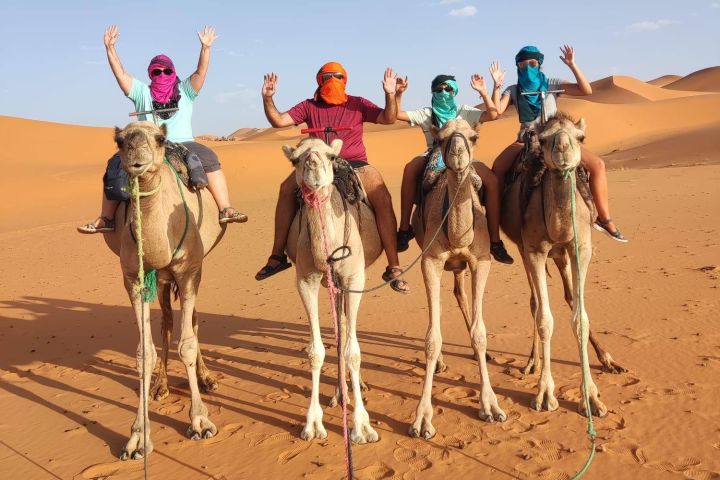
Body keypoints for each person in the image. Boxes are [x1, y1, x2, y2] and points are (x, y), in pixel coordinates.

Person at [255, 62, 410, 293]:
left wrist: (390, 95)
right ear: (319, 80)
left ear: (344, 79)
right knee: (286, 190)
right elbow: (279, 121)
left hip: (355, 164)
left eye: (338, 76)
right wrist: (268, 98)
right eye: (327, 77)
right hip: (317, 163)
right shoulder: (309, 106)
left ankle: (393, 265)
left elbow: (388, 118)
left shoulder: (357, 103)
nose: (333, 80)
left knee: (382, 197)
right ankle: (277, 255)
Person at [77, 25, 246, 234]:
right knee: (115, 165)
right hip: (147, 145)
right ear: (150, 74)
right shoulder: (141, 93)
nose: (162, 74)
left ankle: (225, 208)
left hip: (183, 143)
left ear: (173, 72)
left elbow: (200, 72)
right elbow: (121, 74)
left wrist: (206, 48)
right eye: (156, 71)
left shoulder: (185, 90)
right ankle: (107, 218)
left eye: (166, 71)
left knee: (209, 158)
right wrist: (110, 49)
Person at [491, 45, 627, 242]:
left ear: (539, 65)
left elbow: (585, 90)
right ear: (517, 66)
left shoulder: (551, 84)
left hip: (556, 138)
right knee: (498, 171)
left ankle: (604, 219)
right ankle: (495, 233)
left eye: (532, 63)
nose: (527, 67)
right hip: (527, 139)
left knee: (597, 165)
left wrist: (572, 65)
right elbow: (496, 112)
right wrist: (496, 86)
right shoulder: (513, 90)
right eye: (522, 64)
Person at [395, 65, 514, 263]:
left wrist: (485, 91)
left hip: (464, 156)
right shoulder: (427, 114)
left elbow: (493, 114)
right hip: (434, 153)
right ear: (433, 92)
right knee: (410, 169)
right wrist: (398, 94)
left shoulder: (464, 112)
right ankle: (404, 229)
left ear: (455, 91)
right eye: (439, 89)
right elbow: (397, 115)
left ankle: (494, 240)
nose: (443, 93)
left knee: (492, 181)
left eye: (448, 89)